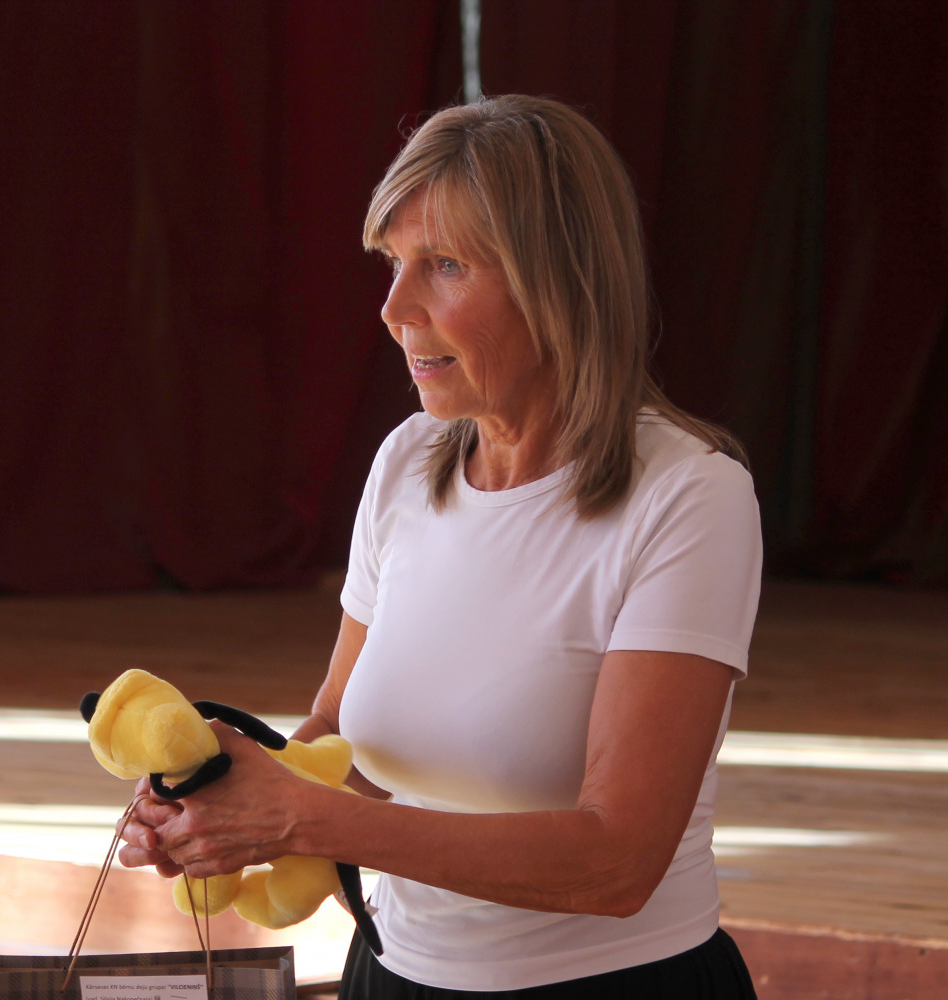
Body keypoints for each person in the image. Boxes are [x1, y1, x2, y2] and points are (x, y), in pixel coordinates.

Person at [118, 95, 763, 999]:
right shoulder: (407, 462)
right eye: (394, 263)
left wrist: (298, 818)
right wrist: (226, 798)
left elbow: (618, 863)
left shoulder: (690, 496)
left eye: (446, 266)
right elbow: (340, 741)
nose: (395, 308)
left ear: (561, 281)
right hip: (391, 973)